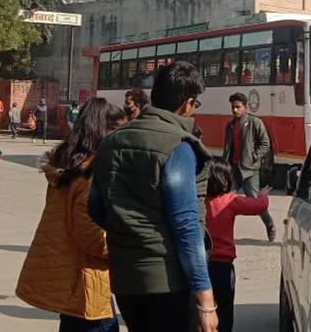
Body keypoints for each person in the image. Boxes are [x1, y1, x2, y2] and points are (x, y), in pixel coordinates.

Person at [88, 61, 218, 332]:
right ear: (188, 103)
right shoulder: (177, 145)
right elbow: (186, 225)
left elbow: (95, 208)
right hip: (167, 281)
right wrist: (206, 300)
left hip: (125, 279)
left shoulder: (112, 142)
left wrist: (130, 233)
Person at [17, 98, 126, 332]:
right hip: (86, 276)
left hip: (71, 272)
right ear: (104, 130)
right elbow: (90, 233)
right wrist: (125, 246)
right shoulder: (91, 173)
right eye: (119, 130)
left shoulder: (66, 165)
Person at [204, 158, 269, 332]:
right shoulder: (230, 201)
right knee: (225, 310)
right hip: (224, 267)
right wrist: (262, 194)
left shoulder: (199, 201)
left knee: (203, 309)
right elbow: (258, 206)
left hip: (202, 265)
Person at [221, 92, 275, 241]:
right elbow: (227, 148)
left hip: (249, 170)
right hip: (233, 168)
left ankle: (269, 223)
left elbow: (265, 144)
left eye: (238, 107)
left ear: (245, 107)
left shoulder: (254, 122)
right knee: (226, 201)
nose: (235, 110)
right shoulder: (230, 125)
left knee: (255, 201)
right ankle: (226, 235)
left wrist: (254, 157)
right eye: (233, 107)